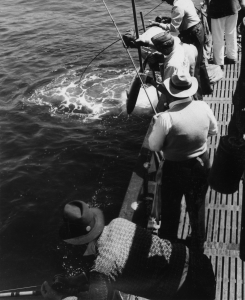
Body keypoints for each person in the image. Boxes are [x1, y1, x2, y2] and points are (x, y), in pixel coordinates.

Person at [41, 200, 216, 300]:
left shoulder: (102, 266)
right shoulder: (118, 222)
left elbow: (97, 296)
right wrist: (75, 281)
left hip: (189, 292)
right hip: (199, 263)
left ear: (79, 241)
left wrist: (57, 298)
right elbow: (115, 265)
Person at [146, 69, 218, 251]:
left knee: (171, 206)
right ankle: (197, 242)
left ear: (171, 92)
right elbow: (213, 131)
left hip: (174, 169)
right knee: (197, 204)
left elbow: (154, 146)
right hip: (201, 163)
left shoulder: (164, 118)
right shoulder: (203, 106)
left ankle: (168, 243)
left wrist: (157, 125)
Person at [147, 0, 212, 96]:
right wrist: (168, 20)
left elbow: (173, 28)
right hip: (198, 29)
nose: (165, 1)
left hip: (191, 34)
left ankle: (196, 94)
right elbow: (183, 18)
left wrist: (158, 24)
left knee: (192, 64)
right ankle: (206, 88)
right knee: (200, 62)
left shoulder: (177, 6)